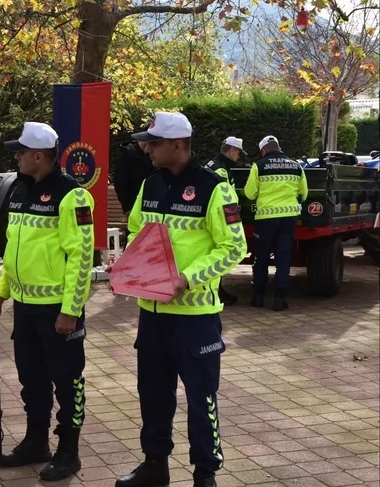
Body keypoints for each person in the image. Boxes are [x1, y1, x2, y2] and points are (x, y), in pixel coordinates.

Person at [115, 112, 247, 487]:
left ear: (177, 145)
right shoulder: (151, 184)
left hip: (196, 316)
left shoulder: (214, 187)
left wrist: (188, 278)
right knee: (153, 393)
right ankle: (154, 464)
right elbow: (136, 232)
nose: (148, 149)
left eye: (154, 143)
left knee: (201, 397)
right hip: (152, 312)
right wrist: (130, 265)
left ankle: (205, 473)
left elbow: (233, 246)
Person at [0, 121, 95, 481]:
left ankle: (69, 451)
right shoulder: (20, 189)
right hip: (25, 307)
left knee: (68, 383)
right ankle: (36, 442)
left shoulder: (72, 196)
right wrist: (2, 292)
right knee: (32, 379)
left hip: (57, 310)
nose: (17, 158)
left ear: (39, 156)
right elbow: (13, 248)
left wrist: (71, 310)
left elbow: (82, 257)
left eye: (21, 152)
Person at [244, 135, 308, 311]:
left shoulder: (259, 166)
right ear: (278, 147)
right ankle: (280, 299)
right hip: (288, 219)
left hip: (265, 219)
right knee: (283, 257)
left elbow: (250, 193)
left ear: (263, 150)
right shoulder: (296, 166)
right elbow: (303, 194)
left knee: (261, 257)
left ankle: (258, 297)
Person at [204, 136, 247, 306]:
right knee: (220, 252)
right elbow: (224, 198)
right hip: (218, 218)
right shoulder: (221, 170)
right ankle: (217, 291)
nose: (238, 157)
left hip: (210, 215)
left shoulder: (212, 164)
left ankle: (218, 289)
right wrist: (233, 219)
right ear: (232, 150)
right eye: (238, 153)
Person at [114, 138, 154, 216]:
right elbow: (120, 183)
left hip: (152, 205)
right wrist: (127, 206)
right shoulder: (127, 154)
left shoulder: (153, 155)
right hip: (132, 205)